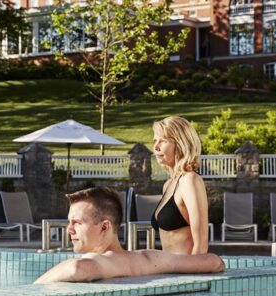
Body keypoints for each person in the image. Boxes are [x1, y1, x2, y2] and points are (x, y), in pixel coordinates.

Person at [35, 187, 224, 283]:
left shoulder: (100, 261)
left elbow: (78, 269)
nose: (69, 229)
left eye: (77, 222)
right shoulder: (149, 258)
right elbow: (215, 262)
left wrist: (36, 287)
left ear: (104, 227)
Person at [151, 115, 210, 254]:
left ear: (181, 144)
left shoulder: (190, 181)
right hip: (169, 266)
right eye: (155, 140)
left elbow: (201, 246)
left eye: (163, 141)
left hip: (187, 266)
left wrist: (191, 269)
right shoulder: (168, 185)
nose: (156, 147)